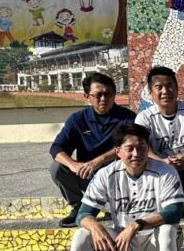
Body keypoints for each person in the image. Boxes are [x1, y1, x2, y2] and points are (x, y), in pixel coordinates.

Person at [64, 123, 183, 251]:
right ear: (118, 151)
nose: (136, 153)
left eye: (142, 147)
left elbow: (174, 212)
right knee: (82, 235)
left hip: (154, 241)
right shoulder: (106, 174)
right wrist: (95, 226)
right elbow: (83, 214)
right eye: (130, 148)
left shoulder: (165, 172)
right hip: (121, 243)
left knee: (166, 231)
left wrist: (137, 225)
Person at [49, 73, 136, 227]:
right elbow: (56, 148)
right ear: (87, 96)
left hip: (118, 176)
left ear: (114, 94)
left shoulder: (128, 118)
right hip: (88, 175)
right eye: (98, 95)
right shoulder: (77, 119)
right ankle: (78, 206)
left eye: (108, 94)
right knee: (57, 167)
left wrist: (100, 160)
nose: (103, 99)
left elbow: (133, 146)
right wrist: (73, 165)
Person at [134, 65, 184, 204]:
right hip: (159, 164)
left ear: (177, 89)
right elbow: (141, 145)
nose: (165, 91)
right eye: (159, 87)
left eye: (169, 86)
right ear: (150, 93)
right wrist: (162, 161)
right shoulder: (144, 117)